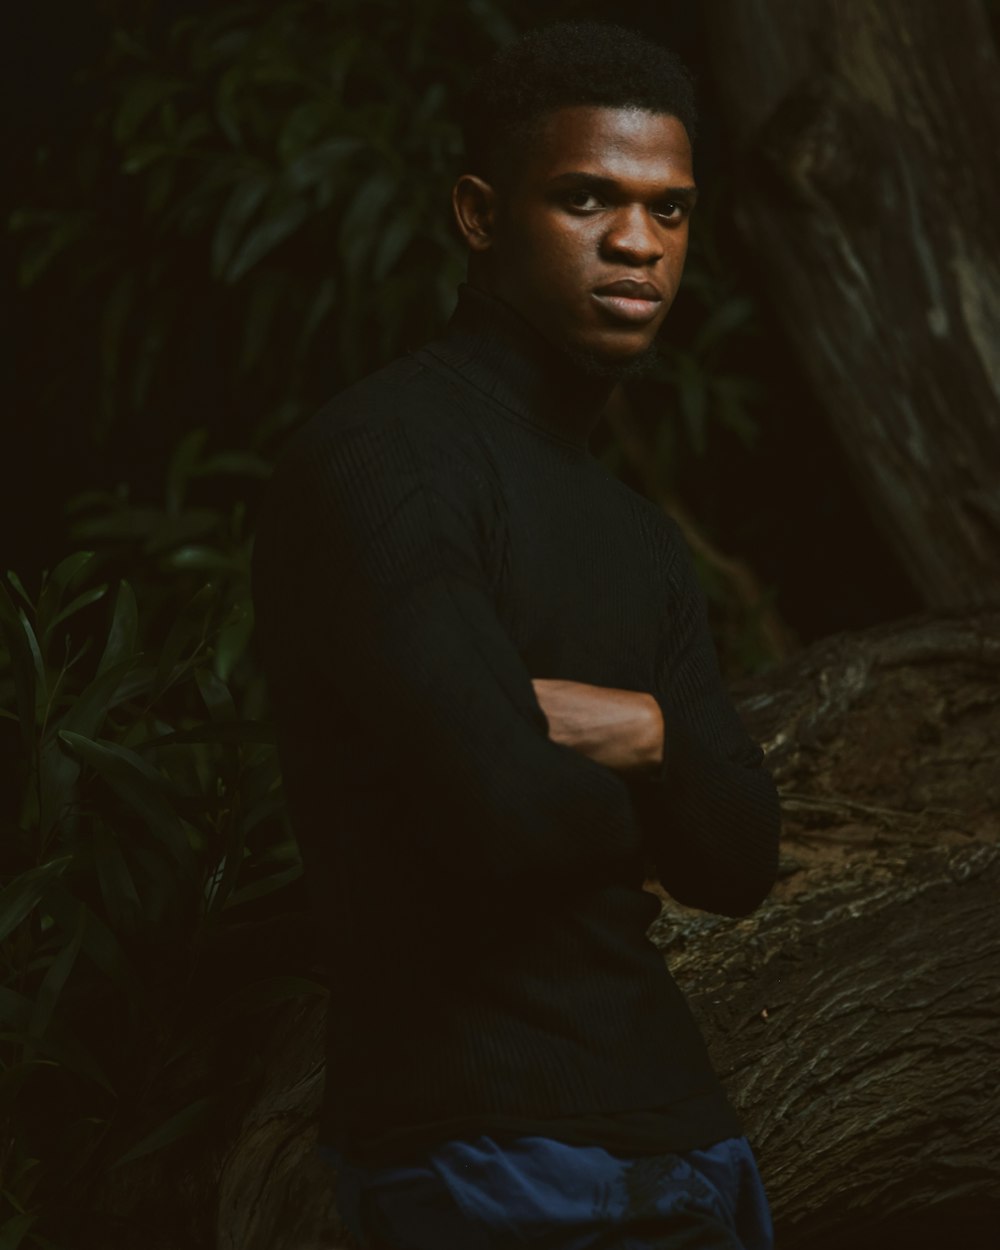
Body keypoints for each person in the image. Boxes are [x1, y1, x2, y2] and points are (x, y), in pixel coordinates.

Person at [252, 20, 781, 1250]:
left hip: (694, 1142)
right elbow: (500, 812)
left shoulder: (639, 537)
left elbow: (742, 853)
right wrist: (646, 781)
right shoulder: (382, 460)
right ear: (480, 216)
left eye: (671, 209)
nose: (637, 243)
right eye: (586, 198)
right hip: (484, 1153)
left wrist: (633, 728)